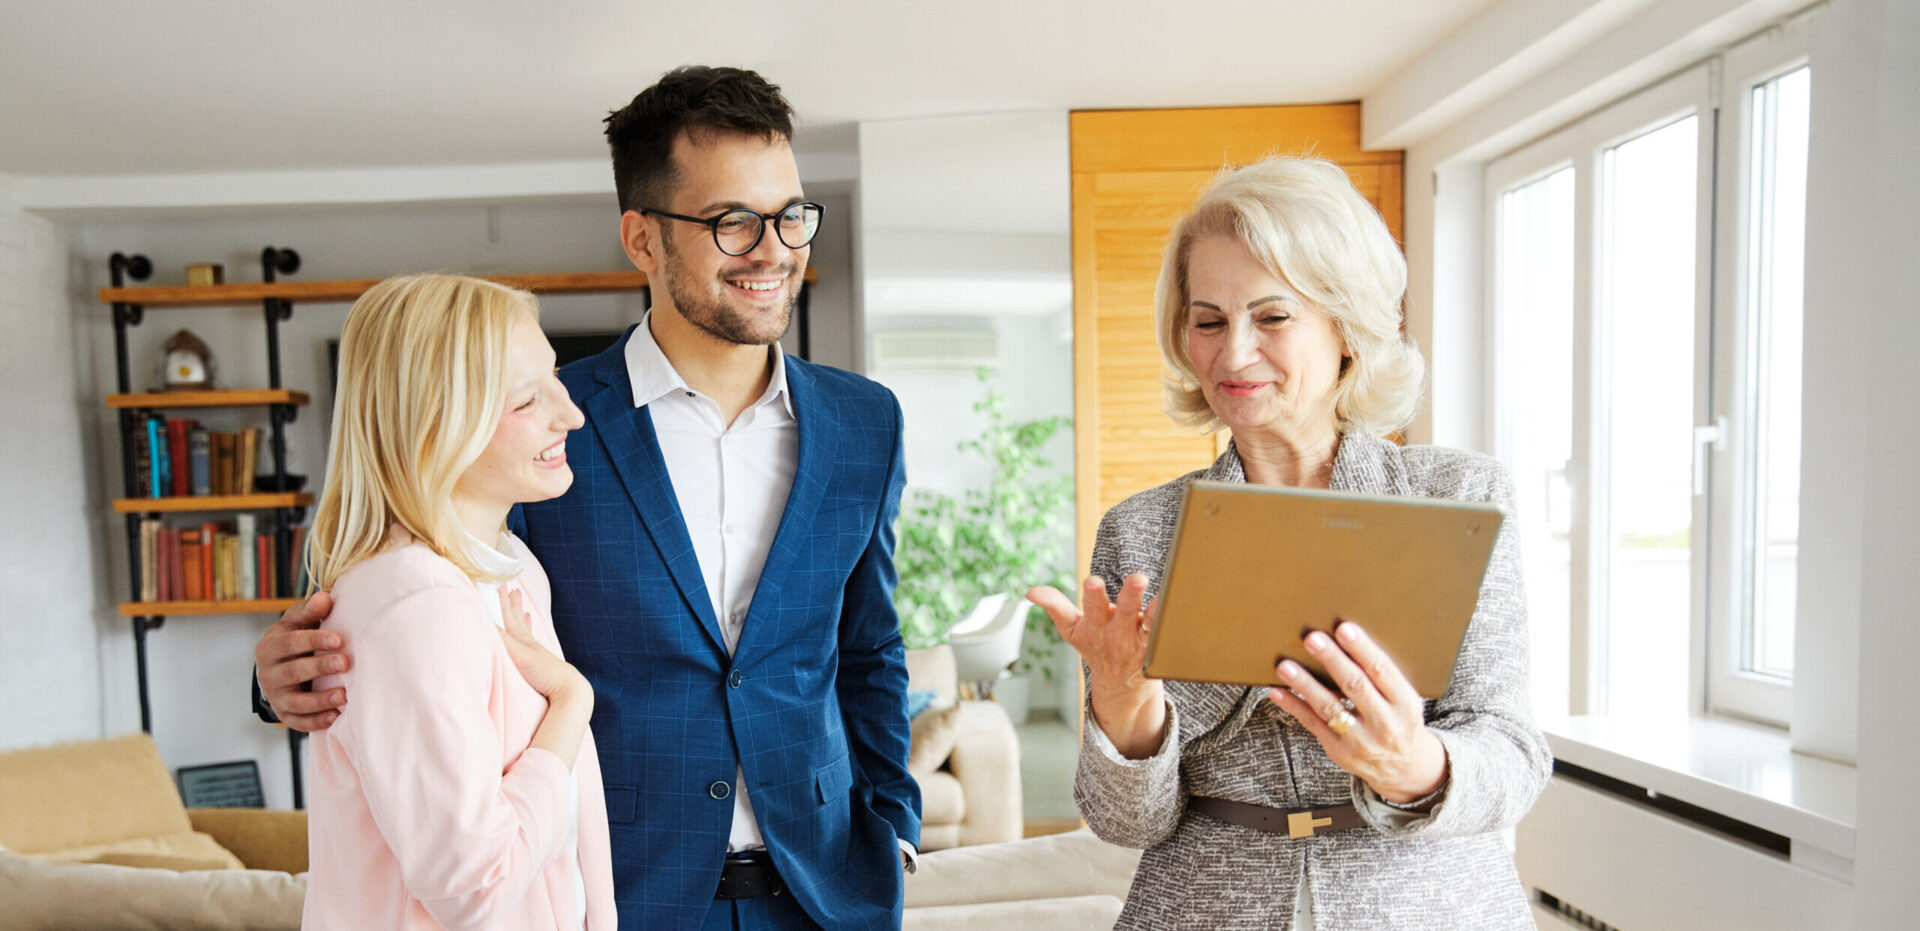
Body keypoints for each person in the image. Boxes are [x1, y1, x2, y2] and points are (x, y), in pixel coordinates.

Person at [256, 68, 919, 930]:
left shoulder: (866, 421)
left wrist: (896, 823)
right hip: (624, 892)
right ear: (642, 239)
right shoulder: (539, 433)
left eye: (791, 215)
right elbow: (406, 591)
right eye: (732, 222)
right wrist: (279, 676)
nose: (775, 249)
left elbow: (871, 644)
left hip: (830, 894)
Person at [1028, 156, 1551, 929]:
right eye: (1208, 321)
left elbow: (1511, 749)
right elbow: (1125, 822)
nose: (1233, 355)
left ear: (1348, 326)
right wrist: (1123, 700)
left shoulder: (1460, 498)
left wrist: (1416, 766)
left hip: (1428, 902)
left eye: (1272, 318)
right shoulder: (1138, 532)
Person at [298, 274, 614, 929]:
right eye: (529, 399)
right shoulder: (414, 605)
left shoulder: (513, 571)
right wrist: (572, 703)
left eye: (554, 378)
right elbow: (475, 889)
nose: (572, 413)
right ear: (438, 423)